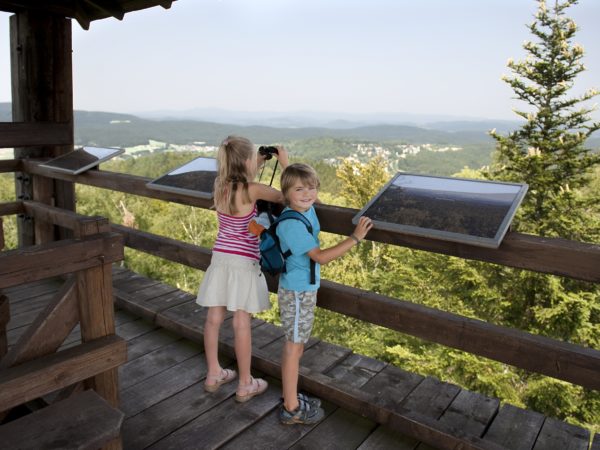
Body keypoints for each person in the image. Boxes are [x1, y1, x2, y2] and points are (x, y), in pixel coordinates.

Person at [276, 163, 373, 424]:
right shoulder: (292, 224)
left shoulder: (306, 209)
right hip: (297, 292)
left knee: (296, 345)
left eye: (313, 188)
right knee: (293, 348)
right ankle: (291, 408)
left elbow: (300, 186)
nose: (308, 194)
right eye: (300, 190)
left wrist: (287, 164)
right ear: (287, 193)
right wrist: (355, 238)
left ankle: (290, 397)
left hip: (303, 290)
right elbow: (319, 257)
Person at [197, 135, 288, 402]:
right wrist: (284, 164)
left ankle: (214, 373)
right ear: (247, 161)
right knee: (241, 322)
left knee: (214, 317)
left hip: (220, 258)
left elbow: (241, 175)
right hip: (244, 261)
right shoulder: (253, 190)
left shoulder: (220, 185)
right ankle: (246, 382)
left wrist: (258, 160)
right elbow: (287, 195)